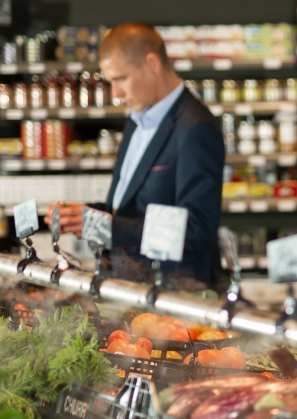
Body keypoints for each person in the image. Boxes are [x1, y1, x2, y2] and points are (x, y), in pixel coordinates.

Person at [52, 23, 224, 287]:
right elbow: (133, 207)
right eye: (110, 82)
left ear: (152, 64)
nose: (116, 93)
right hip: (126, 286)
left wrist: (108, 226)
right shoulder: (138, 119)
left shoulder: (196, 128)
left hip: (172, 295)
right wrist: (87, 216)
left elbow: (196, 231)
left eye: (121, 79)